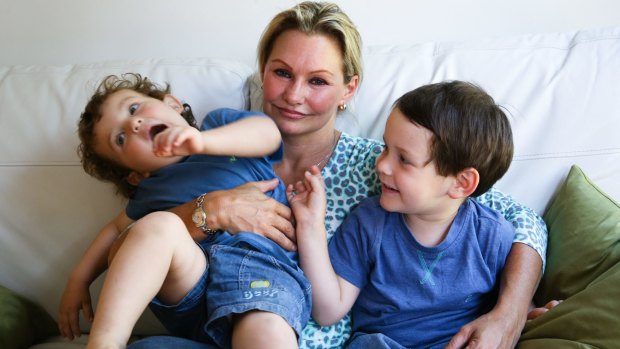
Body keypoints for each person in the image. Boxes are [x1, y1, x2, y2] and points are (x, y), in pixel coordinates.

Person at [128, 2, 550, 348]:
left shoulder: (383, 168)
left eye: (318, 81)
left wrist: (509, 314)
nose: (294, 95)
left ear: (348, 89)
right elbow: (131, 248)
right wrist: (209, 210)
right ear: (263, 71)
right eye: (281, 73)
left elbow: (525, 224)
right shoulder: (209, 152)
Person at [59, 73, 311, 349]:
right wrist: (79, 279)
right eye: (119, 138)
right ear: (136, 175)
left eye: (134, 108)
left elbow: (267, 134)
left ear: (173, 104)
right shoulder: (151, 191)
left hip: (262, 272)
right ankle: (105, 342)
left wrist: (203, 142)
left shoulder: (220, 128)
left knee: (265, 332)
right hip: (195, 290)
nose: (133, 124)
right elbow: (116, 230)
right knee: (157, 227)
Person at [289, 81, 517, 348]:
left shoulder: (491, 235)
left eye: (404, 159)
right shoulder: (369, 223)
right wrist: (310, 225)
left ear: (461, 183)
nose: (382, 164)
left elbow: (509, 305)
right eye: (386, 148)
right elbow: (328, 311)